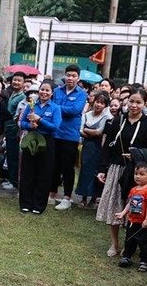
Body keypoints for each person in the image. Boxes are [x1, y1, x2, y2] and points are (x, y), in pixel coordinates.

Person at [96, 88, 147, 255]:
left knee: (135, 208)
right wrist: (102, 168)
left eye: (138, 102)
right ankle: (114, 243)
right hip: (116, 168)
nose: (134, 105)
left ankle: (129, 245)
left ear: (145, 103)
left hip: (137, 172)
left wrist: (135, 154)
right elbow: (108, 144)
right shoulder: (118, 120)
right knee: (115, 205)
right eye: (131, 101)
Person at [16, 81, 61, 214]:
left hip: (47, 142)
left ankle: (39, 205)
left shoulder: (55, 108)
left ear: (52, 93)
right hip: (31, 140)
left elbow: (55, 127)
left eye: (47, 90)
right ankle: (25, 203)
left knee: (44, 173)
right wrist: (30, 125)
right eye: (42, 89)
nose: (44, 93)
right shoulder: (31, 105)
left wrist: (40, 120)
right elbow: (22, 122)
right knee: (27, 171)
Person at [50, 64, 88, 209]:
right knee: (54, 165)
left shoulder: (81, 94)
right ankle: (52, 194)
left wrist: (56, 108)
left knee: (67, 167)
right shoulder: (57, 91)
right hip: (55, 132)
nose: (70, 78)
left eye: (73, 76)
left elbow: (74, 110)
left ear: (78, 78)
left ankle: (66, 197)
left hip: (70, 135)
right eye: (68, 75)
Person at [115, 162, 147, 272]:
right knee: (129, 240)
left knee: (144, 243)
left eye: (141, 174)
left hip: (142, 222)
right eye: (136, 173)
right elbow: (130, 203)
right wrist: (123, 213)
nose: (137, 176)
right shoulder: (134, 189)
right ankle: (127, 257)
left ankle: (144, 261)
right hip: (132, 220)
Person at [75, 91, 113, 208]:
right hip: (87, 147)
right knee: (85, 171)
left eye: (102, 103)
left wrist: (87, 130)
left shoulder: (106, 117)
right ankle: (83, 198)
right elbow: (80, 130)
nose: (98, 105)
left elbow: (99, 132)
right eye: (97, 101)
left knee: (96, 171)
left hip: (98, 147)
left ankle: (94, 198)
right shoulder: (86, 114)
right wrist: (90, 132)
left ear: (105, 105)